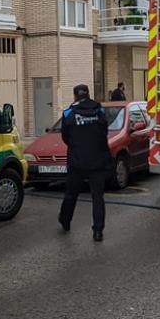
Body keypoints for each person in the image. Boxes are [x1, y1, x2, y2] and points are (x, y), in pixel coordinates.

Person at [57, 84, 110, 242]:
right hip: (97, 161)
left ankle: (65, 221)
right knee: (97, 197)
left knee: (71, 193)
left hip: (77, 161)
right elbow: (104, 131)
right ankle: (98, 231)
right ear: (88, 94)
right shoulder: (99, 110)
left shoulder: (68, 113)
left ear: (75, 96)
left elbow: (65, 137)